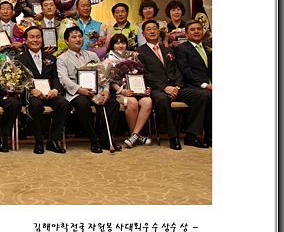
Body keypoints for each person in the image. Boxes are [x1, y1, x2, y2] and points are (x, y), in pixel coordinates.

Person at [137, 20, 211, 150]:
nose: (152, 31)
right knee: (162, 99)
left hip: (175, 87)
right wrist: (164, 87)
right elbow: (144, 74)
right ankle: (173, 137)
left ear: (159, 32)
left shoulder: (168, 50)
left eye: (154, 29)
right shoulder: (139, 52)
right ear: (143, 34)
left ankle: (192, 135)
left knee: (202, 95)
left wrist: (177, 86)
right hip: (156, 89)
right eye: (149, 29)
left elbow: (178, 70)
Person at [56, 26, 122, 153]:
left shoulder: (93, 55)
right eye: (74, 37)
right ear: (67, 41)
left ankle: (106, 139)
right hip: (77, 93)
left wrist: (106, 90)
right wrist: (79, 89)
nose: (78, 39)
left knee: (113, 104)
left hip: (96, 91)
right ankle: (94, 140)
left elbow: (102, 75)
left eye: (80, 36)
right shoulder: (62, 59)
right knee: (82, 104)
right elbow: (64, 79)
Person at [15, 27, 71, 154]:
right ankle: (39, 141)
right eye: (32, 37)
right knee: (34, 105)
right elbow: (19, 81)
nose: (35, 40)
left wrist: (56, 89)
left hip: (50, 92)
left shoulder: (51, 58)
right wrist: (31, 90)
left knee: (64, 104)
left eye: (38, 37)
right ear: (25, 40)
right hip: (32, 94)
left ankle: (53, 140)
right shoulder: (20, 59)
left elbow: (55, 77)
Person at [103, 34, 153, 148]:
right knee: (132, 102)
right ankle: (133, 134)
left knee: (148, 101)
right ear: (112, 45)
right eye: (117, 43)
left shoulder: (133, 56)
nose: (120, 45)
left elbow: (140, 75)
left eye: (123, 43)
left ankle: (135, 134)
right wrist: (121, 91)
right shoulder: (109, 59)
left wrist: (145, 88)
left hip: (135, 90)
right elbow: (109, 80)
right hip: (118, 92)